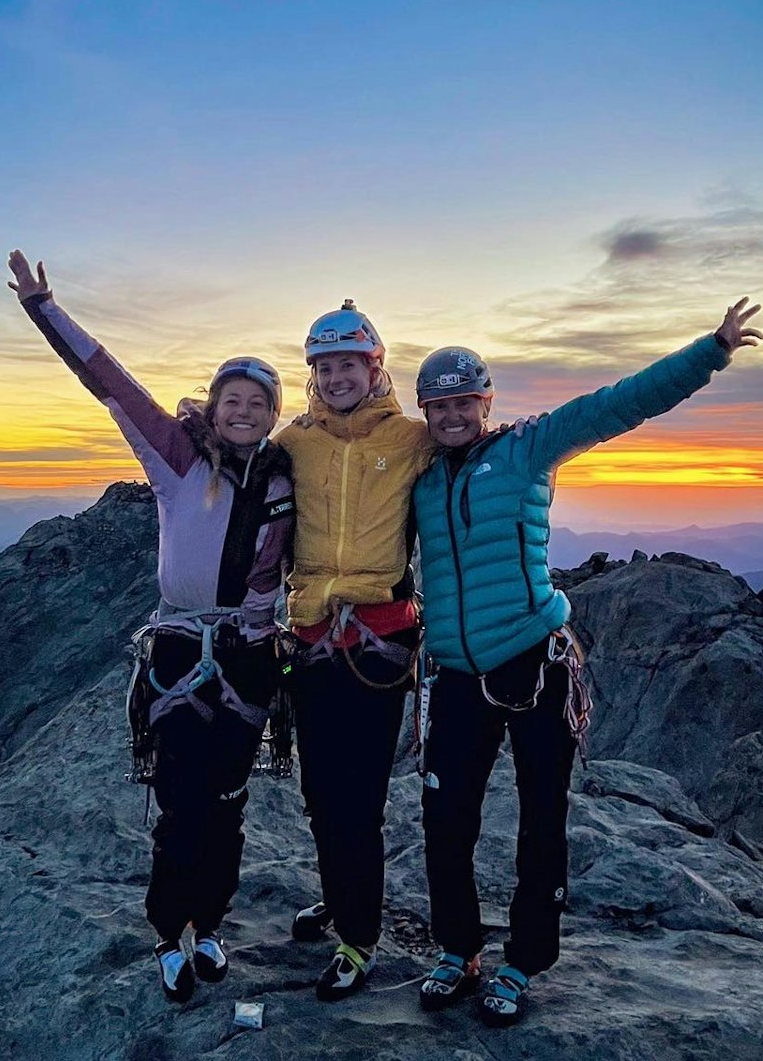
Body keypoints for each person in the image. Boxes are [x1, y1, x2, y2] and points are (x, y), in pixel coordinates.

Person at [411, 299, 763, 1027]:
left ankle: (522, 961)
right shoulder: (419, 480)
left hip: (536, 665)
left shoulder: (529, 448)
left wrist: (711, 351)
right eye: (437, 406)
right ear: (424, 410)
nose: (451, 416)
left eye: (463, 403)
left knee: (543, 819)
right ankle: (458, 949)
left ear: (487, 403)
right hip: (454, 675)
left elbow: (619, 404)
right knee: (446, 819)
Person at [6, 250, 295, 1005]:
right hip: (180, 653)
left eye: (257, 405)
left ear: (272, 415)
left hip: (249, 654)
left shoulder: (286, 477)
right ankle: (172, 933)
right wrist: (45, 309)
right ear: (215, 403)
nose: (243, 412)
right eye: (233, 400)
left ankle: (212, 924)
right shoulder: (175, 457)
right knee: (180, 803)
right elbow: (110, 381)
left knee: (228, 804)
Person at [275, 299, 436, 1000]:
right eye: (324, 366)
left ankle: (358, 937)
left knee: (358, 796)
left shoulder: (411, 439)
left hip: (378, 644)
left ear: (376, 368)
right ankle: (340, 898)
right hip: (311, 638)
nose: (337, 376)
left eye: (350, 363)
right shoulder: (294, 442)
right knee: (318, 791)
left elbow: (471, 446)